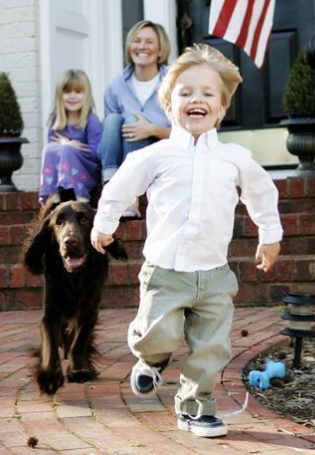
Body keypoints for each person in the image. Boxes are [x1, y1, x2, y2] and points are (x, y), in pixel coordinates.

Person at [90, 44, 283, 438]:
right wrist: (104, 223)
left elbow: (261, 194)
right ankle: (151, 357)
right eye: (185, 93)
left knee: (212, 349)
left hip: (213, 275)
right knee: (156, 334)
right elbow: (119, 187)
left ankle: (196, 407)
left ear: (222, 107)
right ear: (169, 103)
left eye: (207, 94)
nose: (196, 99)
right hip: (165, 272)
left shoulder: (234, 158)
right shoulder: (155, 156)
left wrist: (270, 235)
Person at [100, 20, 172, 217]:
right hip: (124, 158)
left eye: (149, 41)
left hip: (162, 156)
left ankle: (130, 196)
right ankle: (112, 185)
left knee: (132, 120)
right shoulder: (116, 86)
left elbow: (188, 134)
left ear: (160, 50)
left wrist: (152, 130)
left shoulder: (174, 83)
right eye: (137, 41)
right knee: (113, 120)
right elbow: (111, 135)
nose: (142, 46)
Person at [39, 69, 102, 204]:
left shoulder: (91, 120)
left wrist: (72, 147)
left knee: (67, 149)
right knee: (50, 149)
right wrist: (65, 146)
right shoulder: (55, 121)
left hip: (85, 172)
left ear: (86, 95)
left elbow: (97, 154)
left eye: (78, 92)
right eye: (67, 92)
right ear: (59, 95)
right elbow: (51, 153)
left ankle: (79, 195)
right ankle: (52, 194)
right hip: (60, 174)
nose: (72, 96)